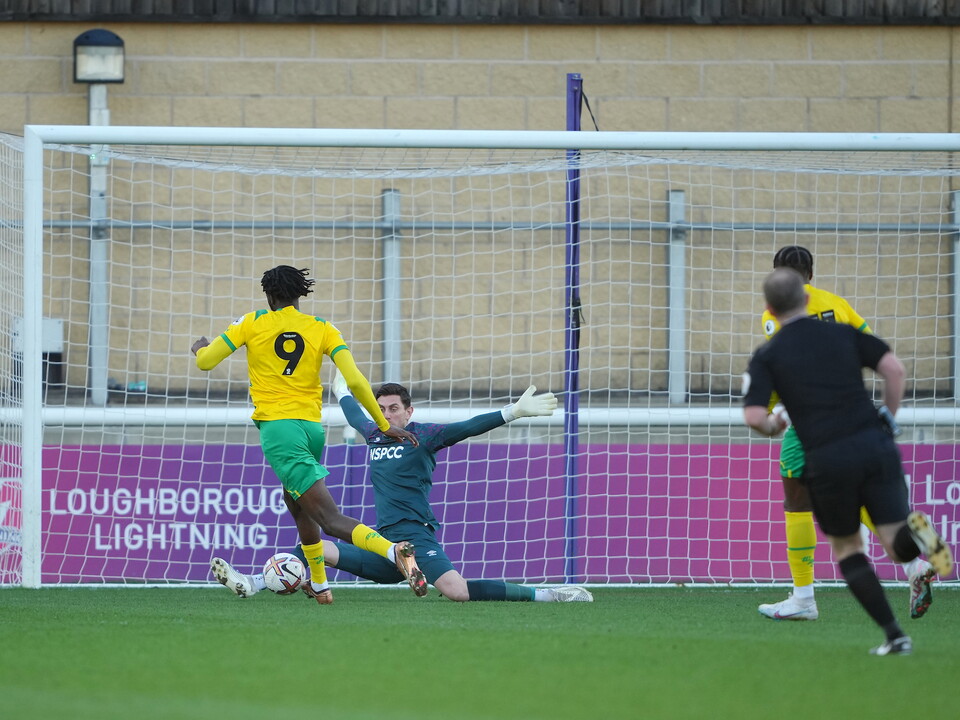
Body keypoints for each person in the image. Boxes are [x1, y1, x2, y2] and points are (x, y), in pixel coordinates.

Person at [212, 372, 594, 603]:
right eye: (382, 408)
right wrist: (343, 390)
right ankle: (255, 582)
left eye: (394, 408)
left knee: (457, 592)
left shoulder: (424, 436)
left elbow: (467, 427)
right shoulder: (375, 434)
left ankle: (548, 594)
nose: (387, 414)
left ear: (408, 412)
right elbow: (354, 414)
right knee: (316, 546)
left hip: (415, 538)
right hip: (383, 545)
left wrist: (511, 412)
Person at [743, 267, 952, 655]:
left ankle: (895, 636)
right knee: (894, 541)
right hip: (875, 443)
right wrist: (889, 417)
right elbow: (894, 368)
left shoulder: (769, 355)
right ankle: (920, 535)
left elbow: (756, 416)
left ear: (769, 308)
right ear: (807, 298)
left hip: (828, 457)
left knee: (848, 550)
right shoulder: (842, 330)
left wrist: (776, 423)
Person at [193, 264, 426, 605]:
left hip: (279, 430)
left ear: (269, 295)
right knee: (297, 504)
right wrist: (384, 422)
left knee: (328, 519)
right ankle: (319, 584)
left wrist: (201, 347)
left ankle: (394, 552)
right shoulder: (323, 328)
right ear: (300, 295)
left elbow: (206, 363)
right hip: (311, 429)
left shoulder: (251, 322)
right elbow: (358, 381)